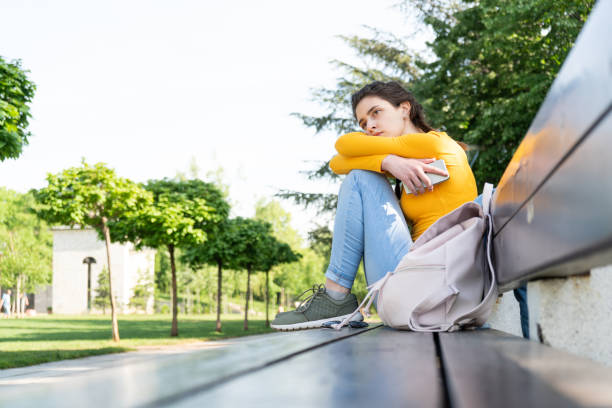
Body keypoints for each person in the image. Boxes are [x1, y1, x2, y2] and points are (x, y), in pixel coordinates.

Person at [272, 81, 481, 331]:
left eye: (376, 113)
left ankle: (335, 296)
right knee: (362, 175)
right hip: (427, 287)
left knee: (362, 177)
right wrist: (388, 161)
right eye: (362, 123)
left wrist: (386, 161)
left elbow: (344, 146)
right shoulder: (410, 165)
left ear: (405, 109)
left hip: (432, 289)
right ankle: (335, 299)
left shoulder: (436, 145)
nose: (369, 126)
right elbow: (336, 163)